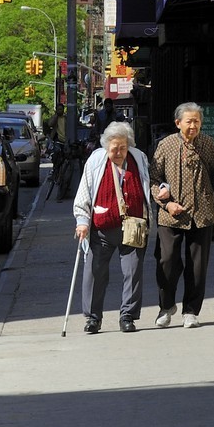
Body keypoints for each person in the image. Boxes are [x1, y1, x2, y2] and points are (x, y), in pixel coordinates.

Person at [149, 102, 214, 328]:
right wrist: (167, 204)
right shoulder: (165, 146)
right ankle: (166, 306)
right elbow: (154, 180)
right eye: (189, 121)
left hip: (202, 213)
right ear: (178, 123)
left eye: (197, 121)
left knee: (197, 265)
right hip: (171, 215)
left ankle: (191, 311)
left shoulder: (206, 143)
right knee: (167, 261)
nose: (193, 126)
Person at [73, 120, 151, 334]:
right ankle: (92, 318)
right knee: (94, 272)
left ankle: (128, 316)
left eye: (123, 148)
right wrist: (82, 221)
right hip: (102, 227)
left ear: (129, 145)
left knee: (133, 272)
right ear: (106, 146)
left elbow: (147, 185)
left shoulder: (139, 158)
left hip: (133, 226)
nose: (118, 152)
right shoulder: (96, 161)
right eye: (114, 148)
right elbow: (84, 192)